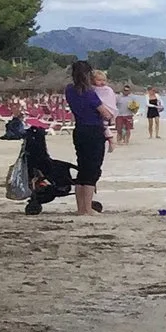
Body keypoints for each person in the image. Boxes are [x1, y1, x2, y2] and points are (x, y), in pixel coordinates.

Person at [63, 60, 107, 215]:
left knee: (82, 168)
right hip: (93, 130)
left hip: (79, 129)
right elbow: (105, 113)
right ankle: (88, 208)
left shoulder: (69, 90)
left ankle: (80, 208)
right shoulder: (89, 93)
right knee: (92, 169)